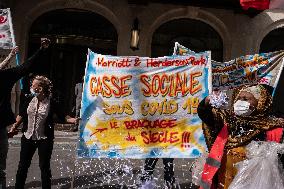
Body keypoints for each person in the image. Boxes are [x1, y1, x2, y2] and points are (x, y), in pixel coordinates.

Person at [197, 84, 284, 189]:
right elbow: (205, 114)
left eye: (246, 99)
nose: (240, 102)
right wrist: (208, 100)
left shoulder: (273, 128)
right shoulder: (229, 122)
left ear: (260, 103)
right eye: (239, 98)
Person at [0, 38, 50, 189]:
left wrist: (41, 50)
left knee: (0, 169)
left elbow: (25, 67)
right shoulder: (4, 76)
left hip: (0, 128)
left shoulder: (4, 77)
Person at [9, 75, 73, 189]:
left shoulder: (51, 102)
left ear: (41, 88)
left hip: (44, 139)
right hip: (27, 137)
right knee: (22, 166)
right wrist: (14, 127)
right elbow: (21, 115)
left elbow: (64, 117)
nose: (31, 87)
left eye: (33, 85)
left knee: (44, 167)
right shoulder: (29, 99)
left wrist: (75, 120)